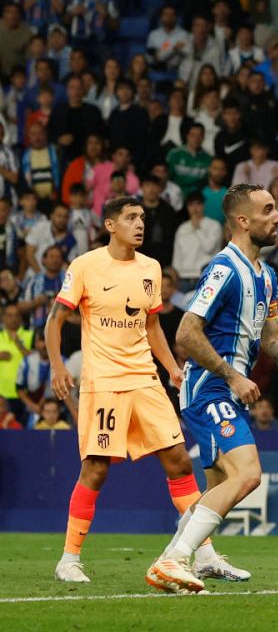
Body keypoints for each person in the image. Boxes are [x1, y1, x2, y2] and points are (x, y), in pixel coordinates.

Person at [150, 185, 278, 591]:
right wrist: (233, 375)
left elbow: (272, 338)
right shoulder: (224, 269)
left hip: (227, 392)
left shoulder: (266, 276)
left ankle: (200, 557)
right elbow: (186, 332)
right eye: (268, 210)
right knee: (248, 474)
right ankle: (174, 559)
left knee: (219, 485)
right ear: (242, 220)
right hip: (209, 389)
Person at [47, 198, 191, 585]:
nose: (139, 224)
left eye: (142, 217)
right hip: (105, 382)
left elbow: (152, 327)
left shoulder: (151, 268)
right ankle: (69, 559)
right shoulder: (85, 266)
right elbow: (55, 320)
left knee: (179, 460)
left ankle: (202, 551)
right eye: (130, 218)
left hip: (145, 378)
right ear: (110, 225)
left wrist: (172, 369)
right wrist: (58, 366)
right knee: (95, 468)